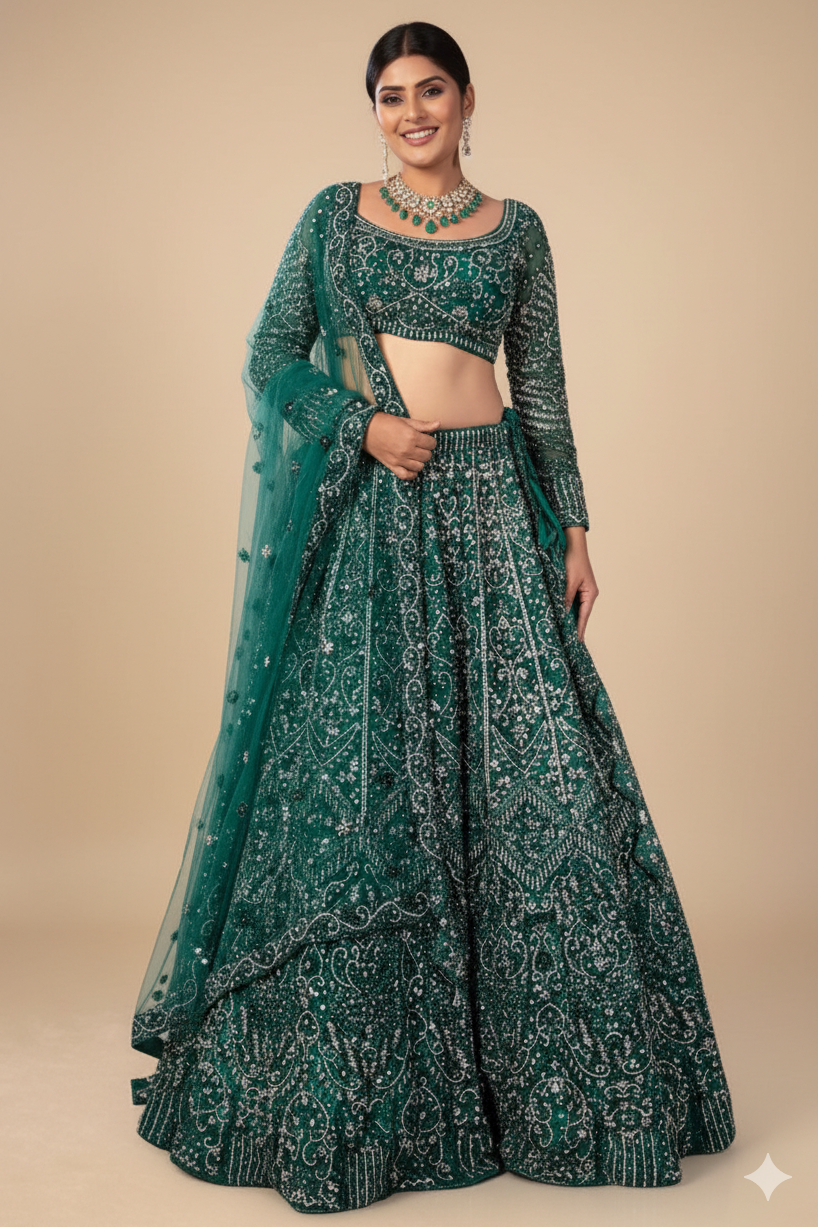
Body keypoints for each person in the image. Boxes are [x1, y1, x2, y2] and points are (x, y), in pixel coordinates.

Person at [130, 21, 736, 1213]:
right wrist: (360, 426)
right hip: (374, 512)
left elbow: (541, 388)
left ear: (466, 100)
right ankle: (358, 1098)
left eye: (430, 90)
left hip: (493, 511)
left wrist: (573, 528)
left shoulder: (517, 230)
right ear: (374, 111)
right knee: (365, 783)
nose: (410, 112)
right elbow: (270, 354)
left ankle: (560, 1099)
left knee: (534, 781)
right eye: (389, 95)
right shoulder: (332, 217)